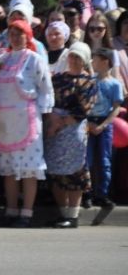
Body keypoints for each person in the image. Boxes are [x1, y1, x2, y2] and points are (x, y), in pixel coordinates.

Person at [0, 18, 54, 227]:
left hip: (27, 119)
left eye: (19, 33)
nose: (15, 37)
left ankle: (27, 213)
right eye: (11, 34)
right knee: (9, 169)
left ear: (28, 35)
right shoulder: (2, 58)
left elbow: (46, 89)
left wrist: (45, 116)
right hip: (5, 121)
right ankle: (11, 210)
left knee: (29, 168)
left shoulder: (34, 59)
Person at [45, 42, 98, 228]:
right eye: (72, 56)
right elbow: (48, 99)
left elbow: (84, 108)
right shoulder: (58, 78)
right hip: (55, 129)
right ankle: (63, 213)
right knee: (57, 172)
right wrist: (53, 120)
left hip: (73, 130)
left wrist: (61, 123)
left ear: (84, 61)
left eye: (79, 57)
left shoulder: (89, 81)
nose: (74, 60)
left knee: (75, 173)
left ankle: (73, 216)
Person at [86, 48, 123, 209]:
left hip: (104, 124)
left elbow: (116, 108)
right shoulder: (90, 80)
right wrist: (88, 123)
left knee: (104, 160)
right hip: (89, 122)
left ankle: (102, 194)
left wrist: (103, 125)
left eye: (95, 60)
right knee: (86, 160)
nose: (92, 63)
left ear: (105, 61)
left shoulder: (115, 84)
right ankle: (86, 193)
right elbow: (84, 102)